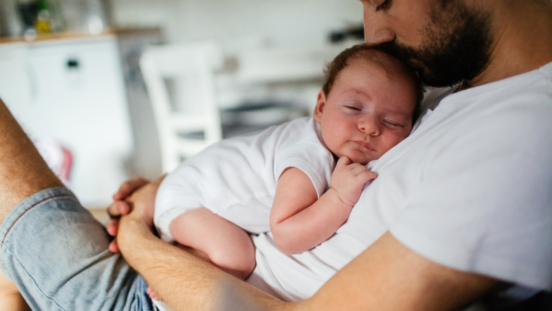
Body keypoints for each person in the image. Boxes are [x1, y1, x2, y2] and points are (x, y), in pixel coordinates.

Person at [0, 0, 551, 310]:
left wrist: (142, 240)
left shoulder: (526, 132)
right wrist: (170, 192)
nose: (373, 32)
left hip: (170, 294)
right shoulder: (449, 90)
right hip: (195, 266)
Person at [152, 44, 421, 285]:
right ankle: (171, 268)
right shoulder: (308, 157)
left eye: (393, 122)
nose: (370, 126)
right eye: (354, 107)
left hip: (194, 180)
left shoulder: (331, 144)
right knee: (237, 258)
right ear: (320, 108)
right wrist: (339, 197)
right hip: (188, 197)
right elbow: (287, 236)